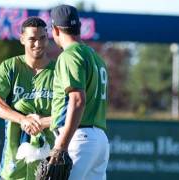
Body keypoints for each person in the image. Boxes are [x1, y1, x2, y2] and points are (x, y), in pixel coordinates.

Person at [0, 17, 55, 180]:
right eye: (32, 39)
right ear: (22, 39)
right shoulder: (10, 67)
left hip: (49, 165)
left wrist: (42, 122)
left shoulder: (58, 70)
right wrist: (22, 119)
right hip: (14, 168)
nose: (38, 44)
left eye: (42, 38)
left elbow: (70, 111)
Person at [49, 4, 110, 180]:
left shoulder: (70, 55)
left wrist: (61, 145)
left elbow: (77, 100)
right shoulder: (96, 57)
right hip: (99, 140)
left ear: (55, 29)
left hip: (78, 139)